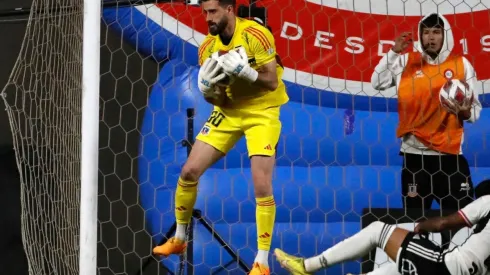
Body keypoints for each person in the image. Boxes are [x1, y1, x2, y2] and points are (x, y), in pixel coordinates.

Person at [152, 1, 288, 274]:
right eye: (204, 12)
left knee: (262, 184)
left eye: (213, 11)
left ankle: (261, 262)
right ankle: (179, 238)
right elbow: (222, 101)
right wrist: (207, 91)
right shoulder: (207, 49)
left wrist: (247, 73)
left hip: (262, 111)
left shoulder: (256, 35)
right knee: (189, 170)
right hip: (230, 112)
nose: (207, 18)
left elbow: (272, 81)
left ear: (229, 8)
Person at [371, 13, 482, 211]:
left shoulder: (461, 64)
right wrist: (393, 53)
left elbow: (475, 110)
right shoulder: (405, 62)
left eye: (436, 32)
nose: (431, 37)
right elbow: (377, 83)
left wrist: (465, 114)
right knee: (415, 223)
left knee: (460, 222)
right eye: (426, 32)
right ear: (420, 36)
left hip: (450, 156)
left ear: (445, 35)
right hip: (415, 158)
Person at [274, 181, 490, 275]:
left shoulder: (488, 201)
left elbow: (443, 223)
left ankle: (307, 266)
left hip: (444, 268)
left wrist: (422, 225)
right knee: (403, 266)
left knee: (378, 229)